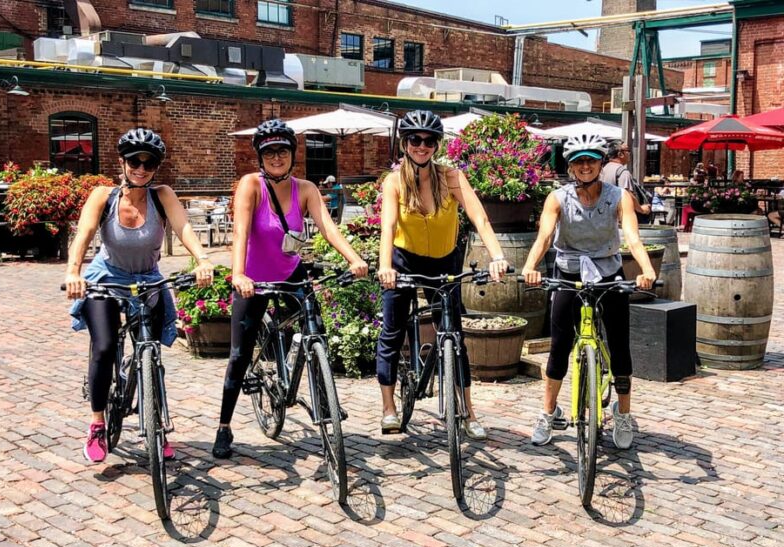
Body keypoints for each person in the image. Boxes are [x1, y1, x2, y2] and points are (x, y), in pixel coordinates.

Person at [212, 119, 368, 459]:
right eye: (270, 152)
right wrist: (238, 274)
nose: (277, 157)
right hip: (253, 277)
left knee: (316, 328)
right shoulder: (250, 186)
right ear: (260, 157)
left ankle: (325, 399)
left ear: (292, 154)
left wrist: (355, 258)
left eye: (283, 151)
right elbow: (240, 232)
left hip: (291, 272)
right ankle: (224, 427)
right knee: (240, 354)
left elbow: (328, 227)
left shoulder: (306, 189)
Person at [65, 128, 215, 463]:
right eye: (135, 160)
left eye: (149, 163)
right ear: (123, 161)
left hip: (147, 281)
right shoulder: (103, 196)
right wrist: (73, 270)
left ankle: (157, 424)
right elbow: (85, 233)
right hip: (106, 279)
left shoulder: (162, 196)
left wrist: (203, 259)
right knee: (104, 348)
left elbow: (184, 228)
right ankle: (97, 423)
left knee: (152, 351)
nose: (141, 168)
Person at [376, 110, 510, 439]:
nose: (422, 146)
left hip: (444, 262)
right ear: (405, 144)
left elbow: (480, 218)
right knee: (392, 331)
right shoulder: (394, 181)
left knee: (455, 336)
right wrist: (385, 265)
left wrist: (497, 256)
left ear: (437, 144)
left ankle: (467, 411)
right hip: (404, 261)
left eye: (429, 140)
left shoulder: (451, 177)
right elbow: (388, 226)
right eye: (415, 140)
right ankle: (389, 408)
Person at [521, 132, 656, 450]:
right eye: (579, 161)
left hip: (608, 271)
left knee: (620, 345)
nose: (585, 166)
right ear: (570, 166)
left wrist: (647, 269)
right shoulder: (558, 198)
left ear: (600, 163)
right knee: (559, 346)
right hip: (569, 271)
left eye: (591, 160)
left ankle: (622, 414)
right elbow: (543, 238)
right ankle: (548, 411)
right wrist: (530, 267)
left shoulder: (618, 196)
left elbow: (632, 238)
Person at [600, 141, 651, 223]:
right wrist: (641, 209)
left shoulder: (603, 169)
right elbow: (627, 194)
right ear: (620, 154)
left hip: (604, 218)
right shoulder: (622, 172)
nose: (629, 154)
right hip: (620, 220)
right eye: (628, 151)